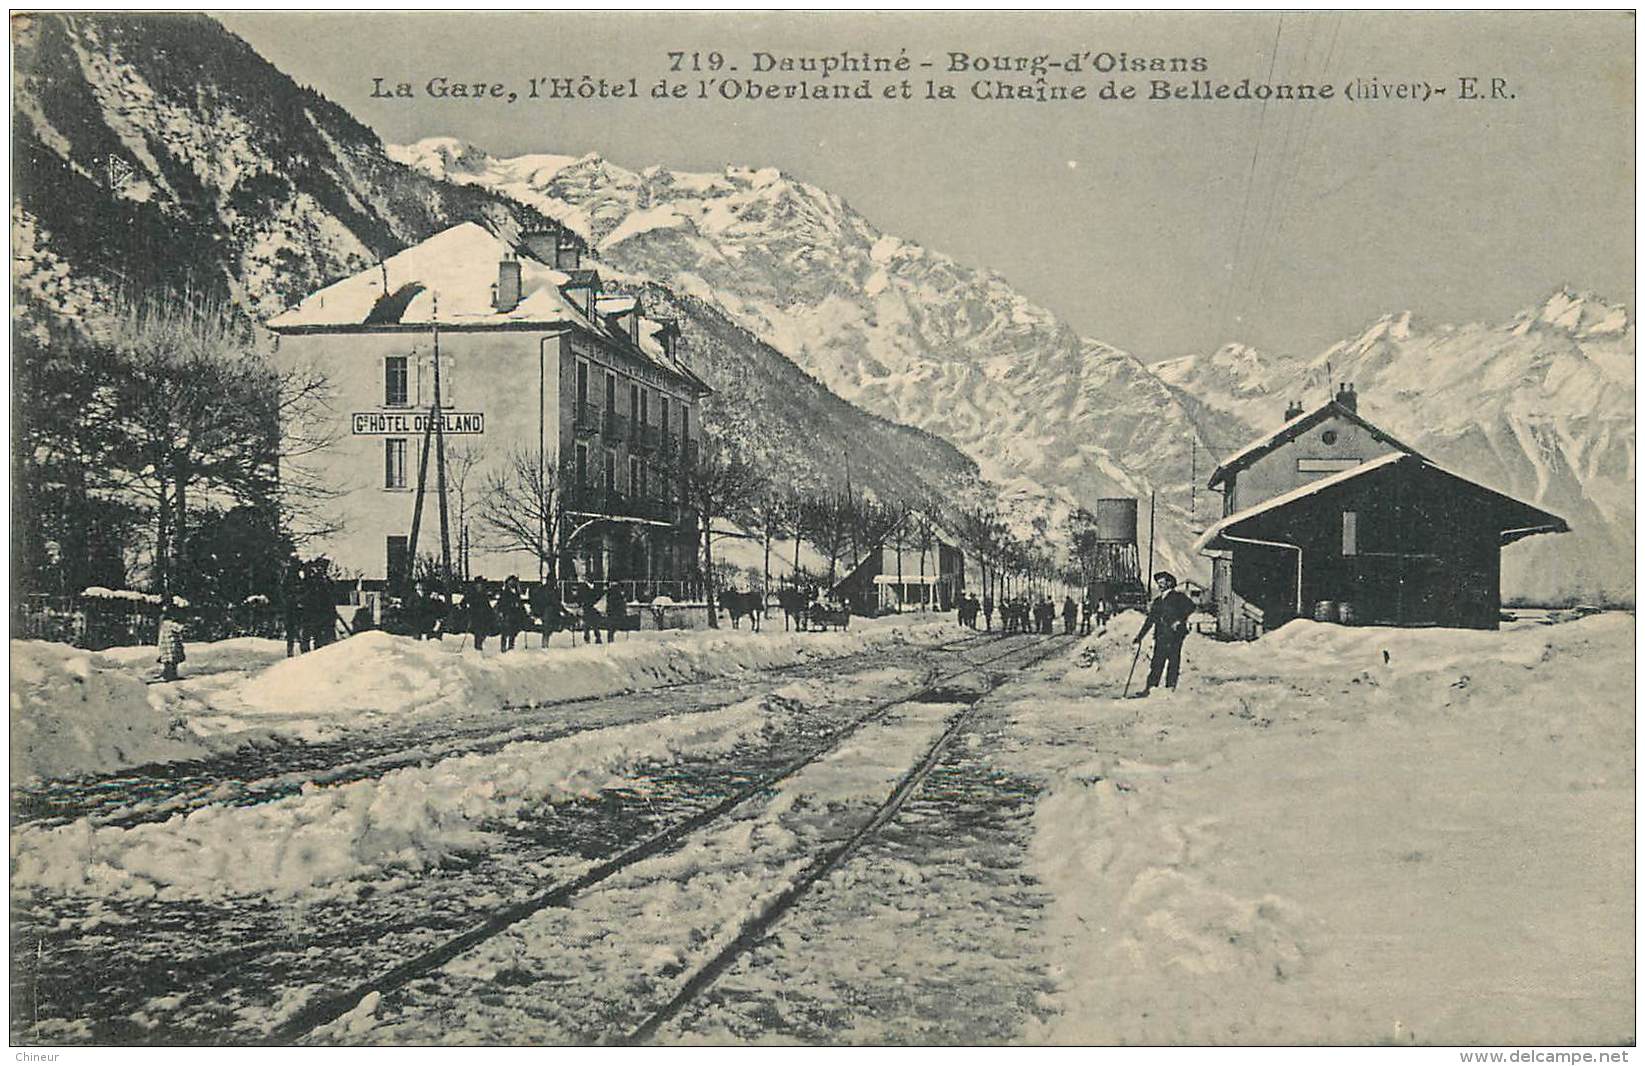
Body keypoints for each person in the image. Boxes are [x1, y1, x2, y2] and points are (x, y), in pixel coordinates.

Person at [1133, 571, 1196, 696]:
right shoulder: (1157, 601)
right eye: (1159, 583)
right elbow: (1150, 620)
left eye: (1163, 582)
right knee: (1156, 663)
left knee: (1173, 663)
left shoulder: (1178, 597)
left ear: (1169, 583)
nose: (1160, 585)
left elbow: (1191, 606)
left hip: (1175, 637)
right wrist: (1140, 637)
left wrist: (1179, 620)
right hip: (1161, 637)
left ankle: (1170, 689)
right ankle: (1150, 689)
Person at [280, 558, 308, 657]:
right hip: (292, 605)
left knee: (297, 629)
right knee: (294, 629)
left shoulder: (299, 575)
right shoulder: (289, 575)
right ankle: (293, 650)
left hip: (296, 605)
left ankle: (298, 649)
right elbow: (284, 590)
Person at [155, 600, 186, 682]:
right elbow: (178, 629)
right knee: (172, 660)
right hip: (171, 644)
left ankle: (168, 674)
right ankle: (170, 675)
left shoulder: (163, 624)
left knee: (169, 660)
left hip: (166, 644)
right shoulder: (170, 624)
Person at [496, 575, 526, 652]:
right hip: (507, 614)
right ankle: (503, 648)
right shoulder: (505, 592)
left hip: (514, 615)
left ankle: (510, 647)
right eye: (511, 582)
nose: (512, 583)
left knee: (513, 632)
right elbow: (500, 603)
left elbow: (520, 604)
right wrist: (501, 612)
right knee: (505, 632)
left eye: (513, 582)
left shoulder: (516, 593)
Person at [531, 579, 563, 649]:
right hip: (548, 612)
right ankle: (545, 645)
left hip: (546, 611)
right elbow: (555, 602)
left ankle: (545, 644)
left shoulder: (543, 589)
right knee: (547, 629)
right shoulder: (550, 590)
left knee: (547, 629)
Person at [467, 577, 497, 652]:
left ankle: (479, 645)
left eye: (480, 585)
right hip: (476, 616)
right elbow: (466, 601)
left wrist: (491, 613)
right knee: (478, 632)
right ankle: (478, 648)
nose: (479, 587)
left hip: (484, 617)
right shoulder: (472, 594)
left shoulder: (483, 595)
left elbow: (487, 605)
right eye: (478, 585)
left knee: (484, 632)